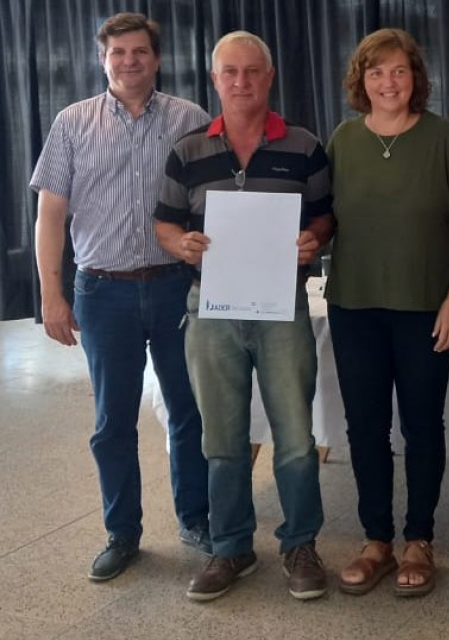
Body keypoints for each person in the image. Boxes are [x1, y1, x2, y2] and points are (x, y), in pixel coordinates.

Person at [29, 12, 211, 582]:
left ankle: (197, 520)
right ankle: (122, 533)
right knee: (112, 421)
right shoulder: (72, 122)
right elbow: (50, 215)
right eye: (118, 53)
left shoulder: (190, 119)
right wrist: (52, 294)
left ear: (157, 59)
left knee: (187, 410)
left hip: (175, 285)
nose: (129, 61)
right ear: (102, 59)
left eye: (139, 52)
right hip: (102, 290)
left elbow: (211, 203)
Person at [153, 30, 334, 602]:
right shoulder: (187, 150)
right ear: (215, 80)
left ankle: (300, 545)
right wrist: (179, 244)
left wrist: (313, 238)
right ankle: (230, 546)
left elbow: (326, 215)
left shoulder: (303, 145)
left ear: (269, 77)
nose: (241, 81)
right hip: (211, 309)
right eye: (230, 72)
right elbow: (164, 222)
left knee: (296, 438)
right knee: (221, 438)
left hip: (282, 308)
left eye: (252, 71)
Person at [324, 28, 449, 598]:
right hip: (354, 306)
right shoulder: (343, 139)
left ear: (416, 78)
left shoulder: (444, 137)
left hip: (425, 307)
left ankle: (420, 540)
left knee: (422, 425)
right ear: (361, 80)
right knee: (364, 426)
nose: (388, 82)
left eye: (399, 70)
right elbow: (327, 218)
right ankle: (376, 540)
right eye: (376, 71)